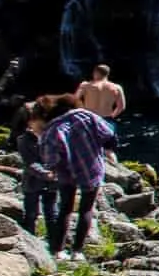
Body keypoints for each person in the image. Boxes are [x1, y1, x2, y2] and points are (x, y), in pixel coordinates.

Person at [40, 94, 118, 259]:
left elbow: (50, 153)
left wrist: (52, 168)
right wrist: (109, 151)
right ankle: (77, 251)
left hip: (66, 172)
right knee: (86, 209)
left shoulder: (54, 126)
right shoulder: (88, 116)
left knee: (65, 209)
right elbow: (109, 135)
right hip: (91, 168)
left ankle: (58, 251)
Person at [10, 102, 63, 241]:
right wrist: (45, 173)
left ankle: (55, 244)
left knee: (52, 213)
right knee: (31, 213)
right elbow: (29, 163)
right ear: (28, 123)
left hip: (53, 182)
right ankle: (30, 241)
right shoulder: (23, 140)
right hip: (32, 181)